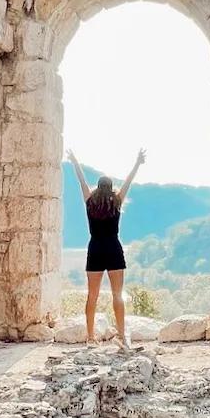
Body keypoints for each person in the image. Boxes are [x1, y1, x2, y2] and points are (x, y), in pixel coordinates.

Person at [66, 147, 146, 349]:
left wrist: (74, 161)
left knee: (92, 295)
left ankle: (90, 338)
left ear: (97, 187)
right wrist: (137, 163)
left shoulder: (90, 201)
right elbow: (128, 182)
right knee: (117, 295)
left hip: (95, 248)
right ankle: (121, 336)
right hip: (113, 248)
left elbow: (81, 181)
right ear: (111, 188)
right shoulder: (116, 201)